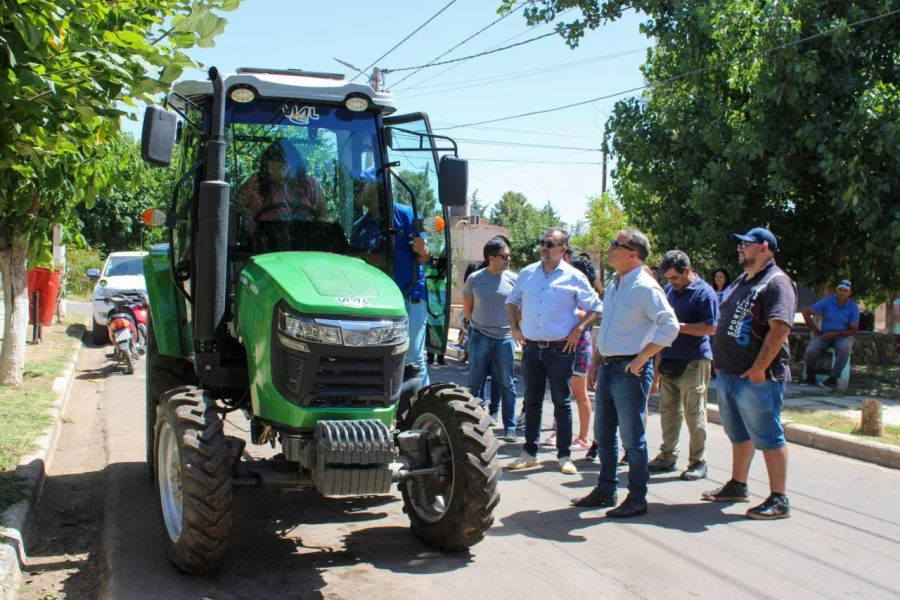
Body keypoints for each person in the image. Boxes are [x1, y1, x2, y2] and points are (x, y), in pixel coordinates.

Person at [572, 229, 678, 518]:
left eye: (615, 244)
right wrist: (596, 362)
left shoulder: (646, 287)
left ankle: (637, 498)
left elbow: (670, 325)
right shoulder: (616, 283)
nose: (610, 248)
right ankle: (606, 489)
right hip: (609, 367)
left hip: (630, 370)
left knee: (632, 439)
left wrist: (644, 357)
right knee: (604, 434)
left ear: (633, 254)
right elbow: (608, 326)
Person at [705, 227, 796, 520]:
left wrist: (759, 368)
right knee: (739, 434)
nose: (740, 249)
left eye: (746, 244)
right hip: (730, 374)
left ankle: (779, 499)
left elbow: (780, 328)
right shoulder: (744, 280)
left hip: (757, 378)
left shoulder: (776, 282)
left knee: (768, 435)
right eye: (740, 245)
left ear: (764, 248)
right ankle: (737, 484)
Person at [505, 228, 601, 475]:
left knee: (561, 402)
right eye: (542, 243)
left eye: (550, 244)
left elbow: (596, 308)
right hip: (531, 348)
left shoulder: (574, 276)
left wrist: (578, 330)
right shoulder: (528, 273)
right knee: (532, 401)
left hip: (560, 349)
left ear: (562, 249)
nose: (544, 248)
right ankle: (530, 453)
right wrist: (514, 328)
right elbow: (511, 301)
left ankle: (564, 456)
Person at [350, 168, 431, 386]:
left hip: (409, 297)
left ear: (378, 187)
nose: (358, 190)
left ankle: (420, 403)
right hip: (375, 301)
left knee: (413, 359)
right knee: (380, 357)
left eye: (363, 185)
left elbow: (423, 258)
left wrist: (422, 249)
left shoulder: (405, 215)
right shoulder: (360, 227)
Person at [648, 250, 718, 481]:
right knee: (669, 411)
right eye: (668, 279)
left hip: (694, 361)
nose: (671, 283)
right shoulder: (670, 291)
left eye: (675, 278)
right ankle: (668, 455)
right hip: (669, 359)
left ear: (687, 270)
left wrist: (678, 326)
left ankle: (698, 462)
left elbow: (710, 327)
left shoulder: (704, 293)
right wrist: (656, 369)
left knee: (694, 413)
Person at [464, 237, 519, 442]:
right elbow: (468, 309)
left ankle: (510, 428)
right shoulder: (475, 279)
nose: (508, 259)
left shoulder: (514, 279)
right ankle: (471, 424)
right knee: (474, 382)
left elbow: (519, 308)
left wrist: (515, 328)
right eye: (504, 256)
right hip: (480, 336)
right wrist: (479, 326)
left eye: (509, 256)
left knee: (507, 383)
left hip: (505, 338)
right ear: (491, 257)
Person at [238, 140, 326, 236]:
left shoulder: (309, 184)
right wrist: (233, 242)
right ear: (266, 164)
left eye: (283, 163)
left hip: (304, 242)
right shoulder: (256, 183)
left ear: (294, 164)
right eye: (273, 164)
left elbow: (323, 216)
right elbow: (234, 210)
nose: (279, 169)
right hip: (261, 242)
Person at [801, 279, 859, 387]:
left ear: (850, 292)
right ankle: (810, 378)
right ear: (837, 290)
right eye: (840, 290)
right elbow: (806, 313)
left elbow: (854, 330)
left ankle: (833, 378)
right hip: (825, 334)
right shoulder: (827, 301)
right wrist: (815, 330)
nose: (842, 293)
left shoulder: (853, 307)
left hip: (844, 336)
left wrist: (835, 334)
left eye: (845, 290)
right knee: (811, 350)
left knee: (845, 349)